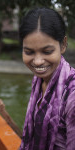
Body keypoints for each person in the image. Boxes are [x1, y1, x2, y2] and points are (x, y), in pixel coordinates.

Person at [19, 7, 75, 150]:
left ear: (63, 45)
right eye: (29, 52)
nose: (38, 61)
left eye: (47, 51)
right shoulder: (39, 80)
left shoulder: (72, 95)